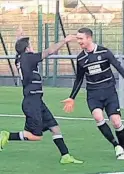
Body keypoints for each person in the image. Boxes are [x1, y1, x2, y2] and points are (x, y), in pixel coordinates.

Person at [0, 27, 83, 164]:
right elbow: (49, 51)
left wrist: (20, 37)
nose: (32, 47)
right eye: (30, 45)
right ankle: (7, 135)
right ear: (27, 49)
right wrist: (65, 40)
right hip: (32, 102)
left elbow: (19, 49)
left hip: (37, 101)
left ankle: (65, 156)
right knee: (35, 136)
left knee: (55, 127)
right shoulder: (29, 58)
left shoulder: (20, 58)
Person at [62, 27, 124, 160]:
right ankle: (116, 146)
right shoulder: (81, 59)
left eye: (81, 38)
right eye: (77, 38)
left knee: (116, 121)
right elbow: (79, 79)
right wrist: (71, 97)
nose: (78, 41)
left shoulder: (104, 52)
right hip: (93, 93)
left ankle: (122, 147)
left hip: (109, 91)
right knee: (97, 116)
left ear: (89, 38)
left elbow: (118, 67)